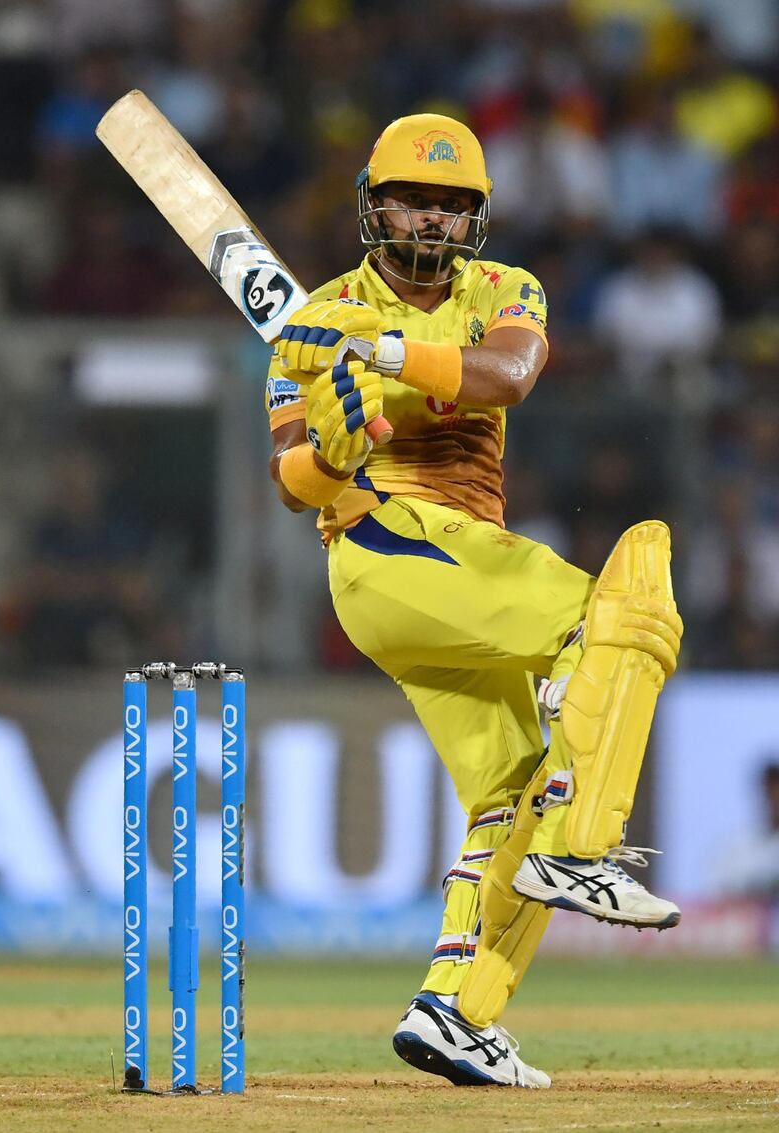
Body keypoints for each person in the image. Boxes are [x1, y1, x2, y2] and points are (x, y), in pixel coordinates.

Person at [265, 114, 683, 1089]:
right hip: (381, 545)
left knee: (511, 789)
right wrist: (331, 445)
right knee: (613, 614)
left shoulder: (504, 290)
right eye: (414, 199)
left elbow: (506, 374)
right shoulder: (316, 314)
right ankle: (580, 844)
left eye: (453, 207)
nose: (433, 221)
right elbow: (290, 485)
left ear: (477, 221)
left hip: (458, 562)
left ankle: (454, 1010)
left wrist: (385, 353)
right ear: (371, 205)